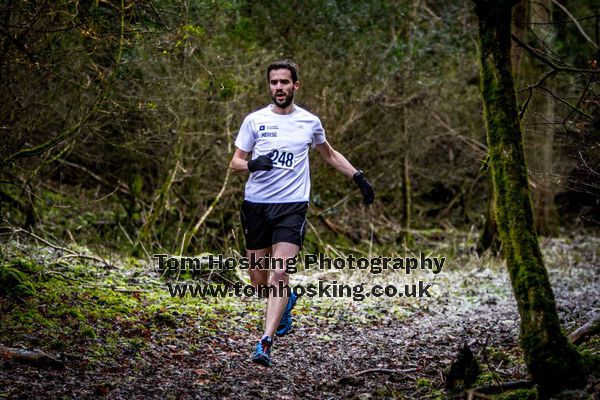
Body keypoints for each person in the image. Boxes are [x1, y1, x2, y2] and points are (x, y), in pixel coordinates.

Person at [229, 59, 374, 367]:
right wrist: (253, 164)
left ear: (295, 85)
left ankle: (265, 342)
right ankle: (286, 301)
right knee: (258, 280)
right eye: (274, 82)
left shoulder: (310, 122)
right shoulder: (254, 121)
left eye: (284, 82)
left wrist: (358, 177)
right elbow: (236, 162)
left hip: (292, 206)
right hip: (256, 205)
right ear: (269, 86)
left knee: (279, 272)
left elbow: (330, 154)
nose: (279, 87)